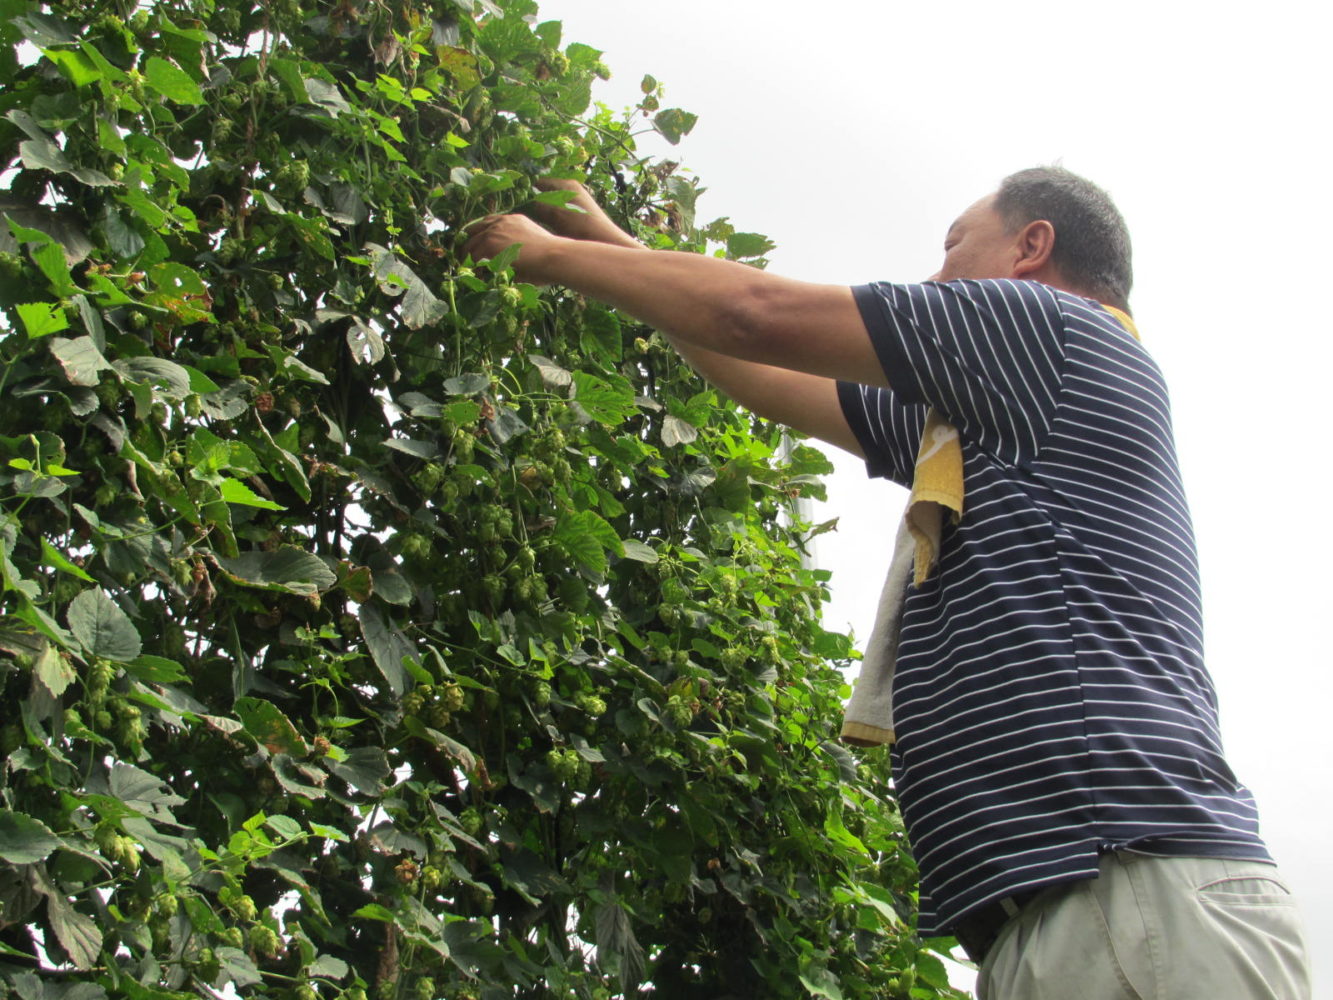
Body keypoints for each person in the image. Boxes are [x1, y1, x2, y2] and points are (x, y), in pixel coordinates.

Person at [465, 167, 1312, 999]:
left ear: (1031, 246)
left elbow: (754, 314)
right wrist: (613, 247)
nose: (933, 275)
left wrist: (538, 256)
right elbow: (771, 372)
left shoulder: (1050, 329)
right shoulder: (990, 415)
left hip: (1124, 893)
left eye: (952, 248)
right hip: (1081, 910)